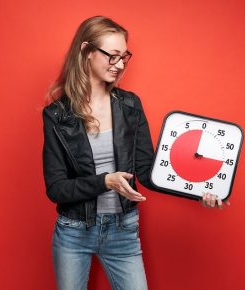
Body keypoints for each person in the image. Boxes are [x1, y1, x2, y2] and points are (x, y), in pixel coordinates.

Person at [42, 15, 228, 290]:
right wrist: (106, 181)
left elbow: (147, 170)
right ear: (86, 51)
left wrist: (200, 188)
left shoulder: (130, 105)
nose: (119, 65)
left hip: (123, 229)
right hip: (73, 232)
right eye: (112, 56)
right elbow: (57, 189)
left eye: (124, 57)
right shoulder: (57, 115)